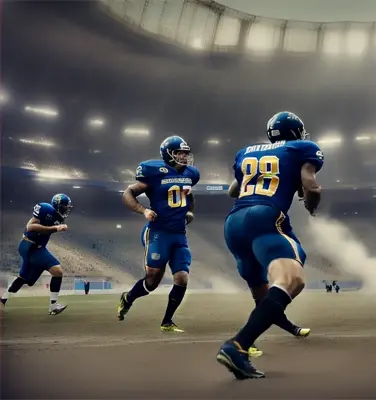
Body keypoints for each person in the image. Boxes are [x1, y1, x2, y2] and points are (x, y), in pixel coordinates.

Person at [217, 111, 323, 379]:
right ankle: (237, 346)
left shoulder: (247, 152)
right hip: (264, 217)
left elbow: (233, 190)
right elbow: (312, 186)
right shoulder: (303, 148)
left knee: (266, 295)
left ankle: (245, 348)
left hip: (233, 223)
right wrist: (311, 203)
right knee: (293, 278)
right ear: (297, 132)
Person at [117, 136, 200, 332]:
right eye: (180, 153)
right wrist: (143, 210)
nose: (184, 157)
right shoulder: (154, 171)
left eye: (186, 153)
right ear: (169, 155)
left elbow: (188, 195)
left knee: (182, 278)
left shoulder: (191, 174)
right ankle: (128, 298)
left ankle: (167, 321)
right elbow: (128, 193)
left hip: (179, 234)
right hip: (158, 232)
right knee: (153, 280)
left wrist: (190, 211)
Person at [1, 194, 72, 315]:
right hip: (30, 246)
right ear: (57, 205)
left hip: (35, 247)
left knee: (25, 279)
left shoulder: (58, 217)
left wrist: (55, 227)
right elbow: (30, 227)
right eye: (65, 207)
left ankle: (2, 300)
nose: (66, 209)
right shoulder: (45, 208)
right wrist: (56, 228)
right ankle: (53, 306)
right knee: (57, 271)